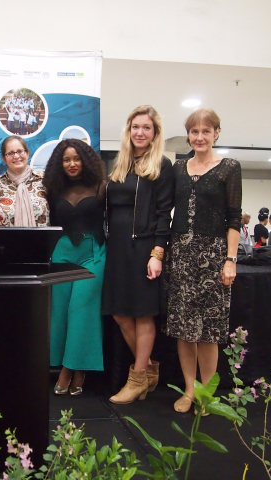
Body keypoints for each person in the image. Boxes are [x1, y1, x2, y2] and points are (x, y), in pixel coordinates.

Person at [164, 108, 242, 414]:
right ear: (188, 135)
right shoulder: (178, 168)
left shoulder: (229, 168)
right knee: (184, 328)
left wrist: (230, 259)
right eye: (194, 132)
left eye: (206, 131)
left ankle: (207, 393)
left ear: (217, 134)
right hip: (180, 253)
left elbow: (234, 217)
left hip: (213, 255)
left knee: (209, 330)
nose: (200, 137)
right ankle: (189, 389)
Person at [102, 105, 174, 404]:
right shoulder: (121, 165)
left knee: (143, 314)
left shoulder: (162, 165)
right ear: (128, 131)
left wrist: (157, 253)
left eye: (146, 127)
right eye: (135, 127)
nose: (140, 132)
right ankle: (147, 371)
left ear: (155, 132)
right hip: (117, 249)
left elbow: (163, 213)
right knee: (120, 313)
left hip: (144, 247)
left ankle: (137, 378)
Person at [43, 138, 107, 396]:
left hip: (93, 255)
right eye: (66, 159)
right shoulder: (52, 190)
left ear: (86, 160)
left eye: (77, 158)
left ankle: (70, 370)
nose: (72, 164)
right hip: (62, 255)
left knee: (81, 309)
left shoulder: (102, 187)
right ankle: (74, 368)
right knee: (61, 312)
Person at [0, 135, 49, 227]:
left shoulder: (44, 179)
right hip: (6, 241)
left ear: (27, 153)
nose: (16, 156)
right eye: (10, 153)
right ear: (4, 159)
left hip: (43, 240)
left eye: (20, 151)